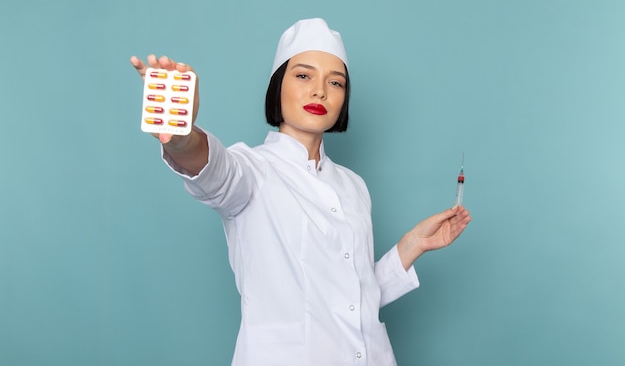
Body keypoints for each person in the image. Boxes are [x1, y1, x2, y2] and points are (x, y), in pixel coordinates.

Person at [130, 18, 471, 366]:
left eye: (335, 82)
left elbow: (352, 297)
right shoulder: (252, 171)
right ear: (278, 85)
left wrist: (411, 246)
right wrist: (181, 132)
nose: (320, 91)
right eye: (303, 75)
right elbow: (211, 169)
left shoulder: (354, 187)